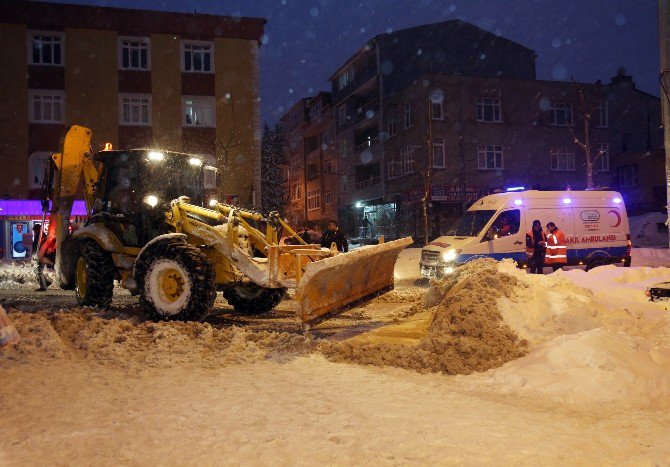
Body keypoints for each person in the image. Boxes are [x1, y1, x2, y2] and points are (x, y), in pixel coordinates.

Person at [32, 223, 49, 292]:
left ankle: (43, 286)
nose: (34, 231)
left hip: (41, 256)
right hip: (40, 255)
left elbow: (40, 247)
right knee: (38, 270)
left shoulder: (41, 236)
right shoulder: (40, 236)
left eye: (35, 230)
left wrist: (37, 255)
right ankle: (46, 282)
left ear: (38, 229)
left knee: (38, 271)